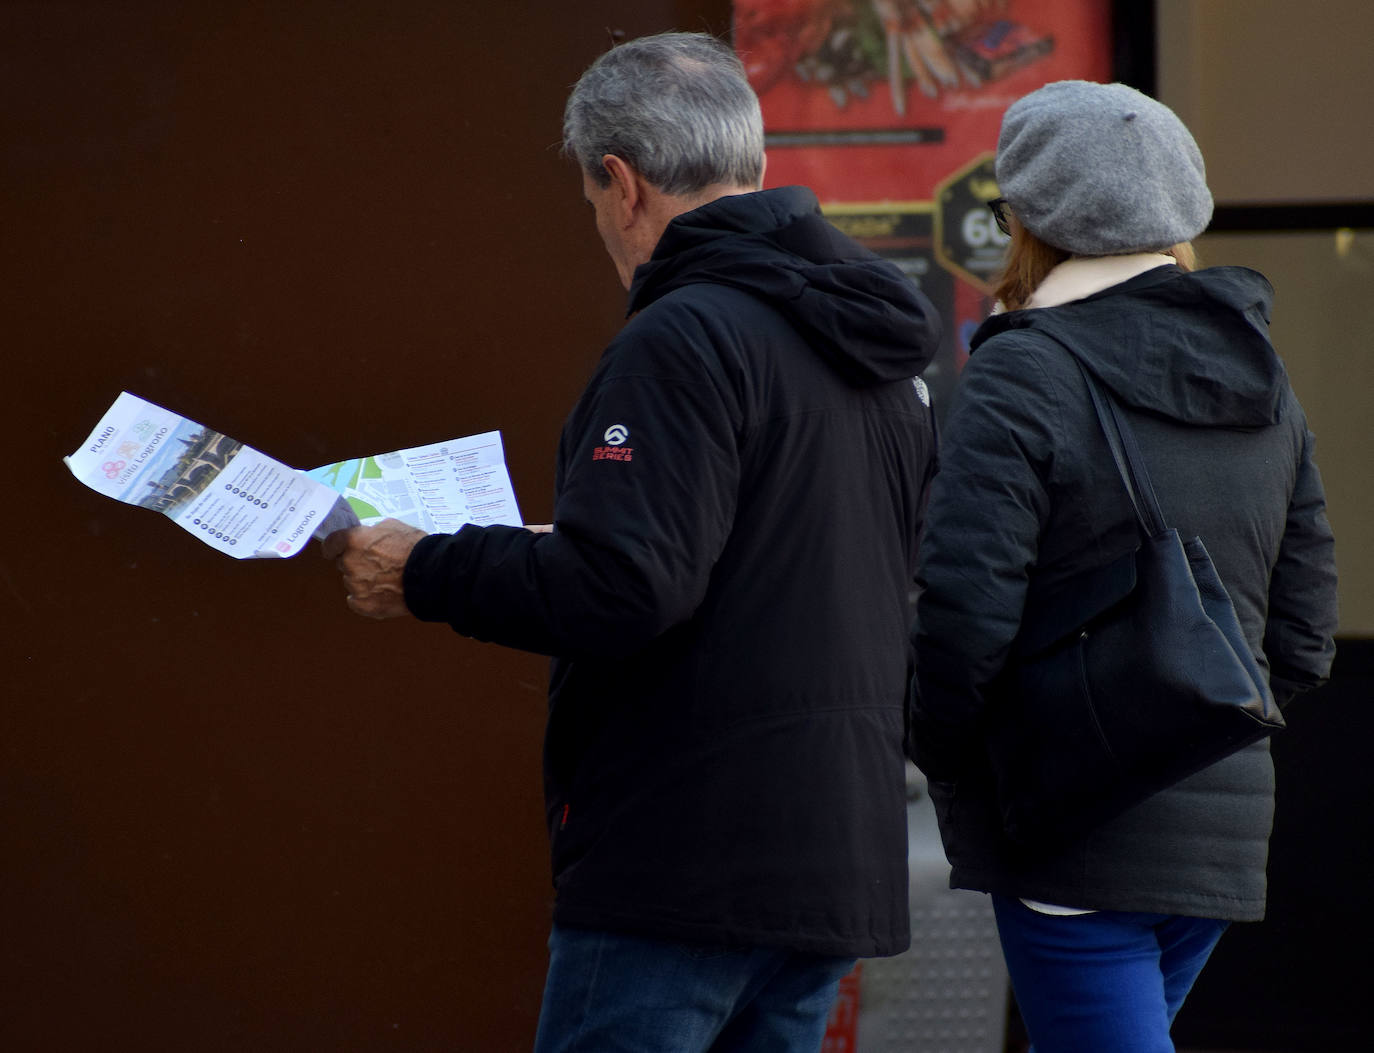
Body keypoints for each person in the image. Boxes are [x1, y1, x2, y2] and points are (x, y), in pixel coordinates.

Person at [322, 31, 941, 1053]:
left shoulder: (680, 336)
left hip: (684, 863)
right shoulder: (872, 348)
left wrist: (425, 567)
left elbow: (625, 590)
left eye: (590, 203)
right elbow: (797, 562)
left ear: (621, 183)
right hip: (838, 859)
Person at [907, 80, 1338, 1053]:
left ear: (1023, 222)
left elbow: (962, 616)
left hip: (1070, 834)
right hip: (1220, 836)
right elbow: (1304, 637)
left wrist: (959, 763)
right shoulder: (1262, 373)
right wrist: (1188, 730)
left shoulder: (1020, 368)